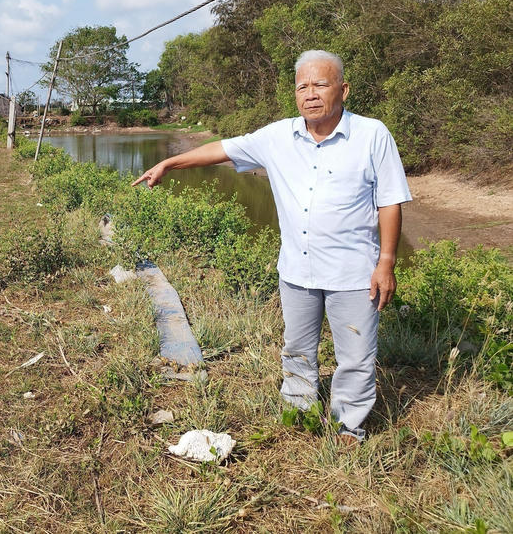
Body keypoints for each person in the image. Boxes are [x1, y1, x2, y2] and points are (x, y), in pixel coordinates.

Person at [132, 50, 411, 443]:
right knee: (297, 347)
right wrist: (168, 164)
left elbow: (390, 201)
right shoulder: (277, 136)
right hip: (297, 271)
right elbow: (221, 149)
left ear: (343, 89)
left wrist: (386, 262)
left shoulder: (372, 135)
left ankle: (349, 425)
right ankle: (300, 414)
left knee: (356, 355)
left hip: (354, 272)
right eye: (302, 86)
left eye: (320, 84)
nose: (310, 93)